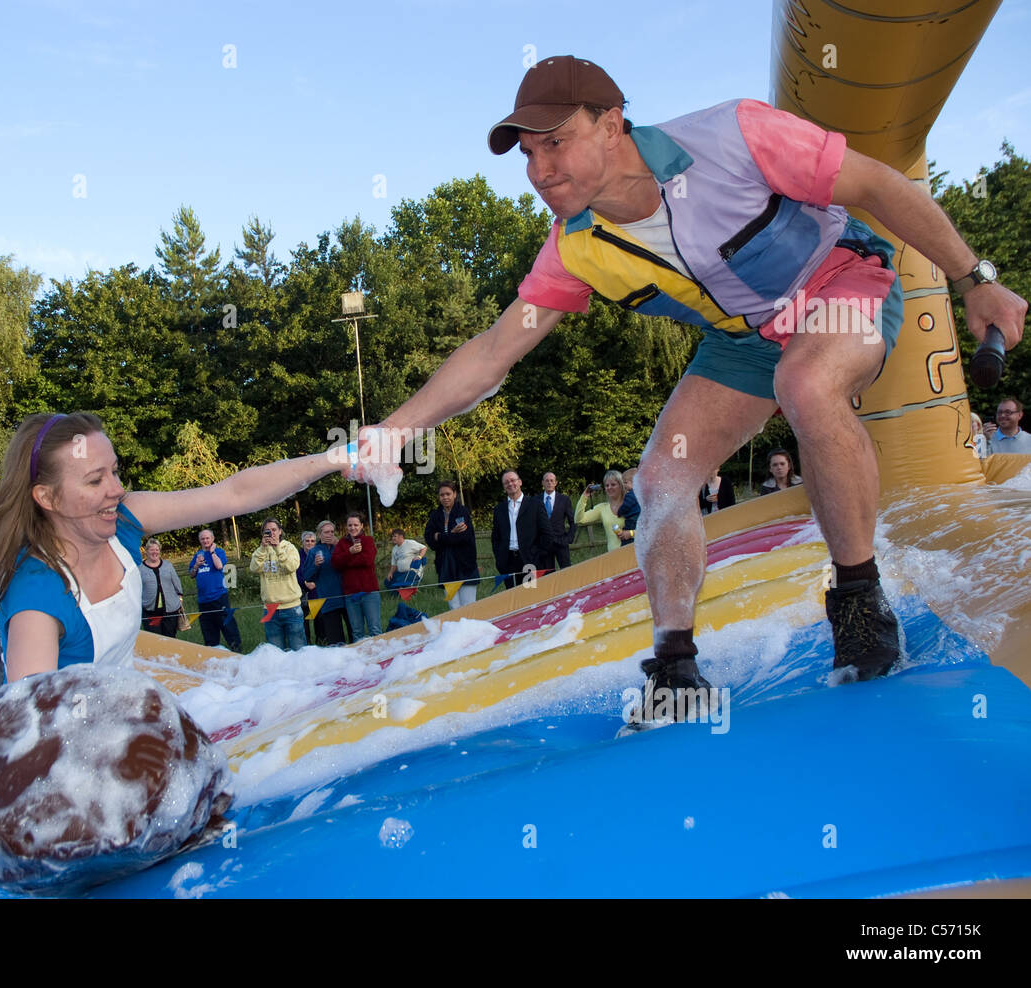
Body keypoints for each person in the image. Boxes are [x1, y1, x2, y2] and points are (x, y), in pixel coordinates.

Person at [354, 55, 1026, 704]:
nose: (539, 169)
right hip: (743, 338)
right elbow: (494, 350)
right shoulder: (574, 244)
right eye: (528, 153)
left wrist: (974, 280)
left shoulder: (737, 135)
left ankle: (859, 603)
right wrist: (395, 430)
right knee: (661, 481)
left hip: (838, 284)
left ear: (612, 125)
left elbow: (879, 185)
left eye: (555, 142)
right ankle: (676, 669)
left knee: (806, 382)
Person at [0, 412, 338, 681]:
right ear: (47, 497)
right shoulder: (37, 602)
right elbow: (32, 740)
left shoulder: (123, 522)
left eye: (114, 471)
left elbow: (233, 493)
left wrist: (339, 458)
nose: (116, 490)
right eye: (95, 480)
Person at [248, 518, 306, 651]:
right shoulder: (261, 551)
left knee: (298, 649)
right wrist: (263, 548)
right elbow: (254, 568)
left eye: (274, 530)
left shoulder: (289, 547)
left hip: (292, 607)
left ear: (280, 531)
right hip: (270, 608)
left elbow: (292, 566)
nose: (272, 534)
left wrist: (278, 548)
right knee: (275, 652)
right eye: (267, 531)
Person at [491, 469, 552, 589]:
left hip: (530, 559)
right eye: (506, 482)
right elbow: (495, 537)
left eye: (513, 480)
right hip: (508, 561)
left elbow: (547, 533)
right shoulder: (499, 509)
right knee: (513, 600)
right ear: (504, 487)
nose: (510, 484)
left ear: (520, 482)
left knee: (531, 598)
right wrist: (500, 558)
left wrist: (537, 554)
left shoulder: (535, 505)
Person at [423, 481, 480, 610]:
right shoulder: (435, 515)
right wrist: (451, 533)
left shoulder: (463, 512)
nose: (445, 497)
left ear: (455, 494)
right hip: (446, 567)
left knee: (469, 607)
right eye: (442, 495)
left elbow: (463, 538)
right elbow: (429, 539)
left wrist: (440, 536)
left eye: (448, 494)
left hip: (466, 566)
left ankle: (470, 631)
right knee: (454, 608)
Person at [188, 529, 242, 652]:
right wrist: (196, 565)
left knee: (227, 625)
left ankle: (236, 649)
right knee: (208, 629)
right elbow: (191, 574)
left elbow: (219, 566)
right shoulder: (197, 555)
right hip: (203, 600)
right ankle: (212, 652)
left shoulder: (219, 552)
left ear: (212, 539)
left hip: (218, 597)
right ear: (200, 541)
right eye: (202, 538)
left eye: (207, 538)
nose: (205, 540)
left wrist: (212, 553)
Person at [332, 512, 382, 637]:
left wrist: (346, 561)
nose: (352, 528)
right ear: (346, 526)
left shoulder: (368, 541)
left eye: (355, 525)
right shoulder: (342, 543)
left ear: (361, 526)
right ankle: (361, 656)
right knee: (357, 631)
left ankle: (380, 655)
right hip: (351, 594)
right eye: (350, 525)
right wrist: (350, 552)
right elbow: (335, 563)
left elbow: (367, 560)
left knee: (375, 629)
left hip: (369, 592)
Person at [303, 519, 350, 645]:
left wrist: (339, 544)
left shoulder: (341, 546)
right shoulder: (314, 551)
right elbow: (306, 576)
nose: (330, 534)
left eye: (332, 532)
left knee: (354, 634)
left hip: (347, 597)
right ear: (319, 534)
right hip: (328, 600)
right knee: (336, 640)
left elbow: (351, 561)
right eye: (326, 532)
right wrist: (315, 565)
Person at [576, 470, 636, 552]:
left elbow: (646, 531)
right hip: (612, 557)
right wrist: (584, 497)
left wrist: (630, 533)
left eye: (613, 484)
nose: (609, 487)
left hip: (632, 554)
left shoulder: (633, 504)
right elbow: (579, 520)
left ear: (621, 485)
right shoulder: (602, 508)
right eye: (607, 485)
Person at [139, 538, 184, 637]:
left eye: (157, 549)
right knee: (155, 640)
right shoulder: (140, 569)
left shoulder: (167, 565)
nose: (154, 552)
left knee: (170, 638)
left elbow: (176, 582)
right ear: (146, 551)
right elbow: (137, 588)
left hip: (170, 609)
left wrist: (180, 597)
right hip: (150, 611)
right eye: (152, 550)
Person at [538, 472, 576, 570]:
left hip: (561, 542)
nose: (549, 483)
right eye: (547, 480)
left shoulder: (564, 499)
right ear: (542, 483)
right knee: (548, 575)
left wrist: (569, 538)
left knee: (567, 572)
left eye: (552, 481)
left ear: (556, 483)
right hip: (544, 545)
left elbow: (573, 521)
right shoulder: (536, 500)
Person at [297, 530, 317, 645]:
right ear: (302, 542)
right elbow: (296, 572)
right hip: (301, 593)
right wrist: (305, 583)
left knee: (319, 621)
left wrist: (315, 583)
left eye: (312, 541)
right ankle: (307, 644)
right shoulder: (297, 555)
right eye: (307, 541)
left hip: (316, 592)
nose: (310, 543)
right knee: (304, 622)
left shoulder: (318, 554)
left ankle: (321, 642)